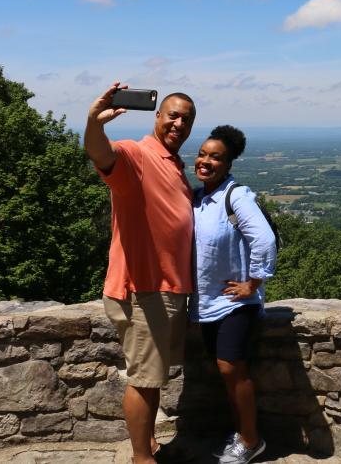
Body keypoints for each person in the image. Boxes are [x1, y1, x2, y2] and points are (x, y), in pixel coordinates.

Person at [85, 82, 196, 464]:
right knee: (145, 381)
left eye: (186, 119)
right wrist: (94, 124)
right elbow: (102, 154)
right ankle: (140, 458)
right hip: (143, 290)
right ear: (157, 117)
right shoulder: (138, 154)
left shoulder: (171, 163)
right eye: (173, 115)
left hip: (163, 289)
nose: (179, 123)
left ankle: (147, 445)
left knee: (152, 379)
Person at [191, 125, 277, 464]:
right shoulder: (197, 198)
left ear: (228, 165)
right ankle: (241, 433)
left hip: (234, 303)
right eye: (202, 154)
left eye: (216, 157)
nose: (206, 161)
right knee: (226, 371)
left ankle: (251, 440)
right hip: (207, 302)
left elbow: (264, 239)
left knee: (231, 369)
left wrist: (253, 283)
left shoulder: (235, 196)